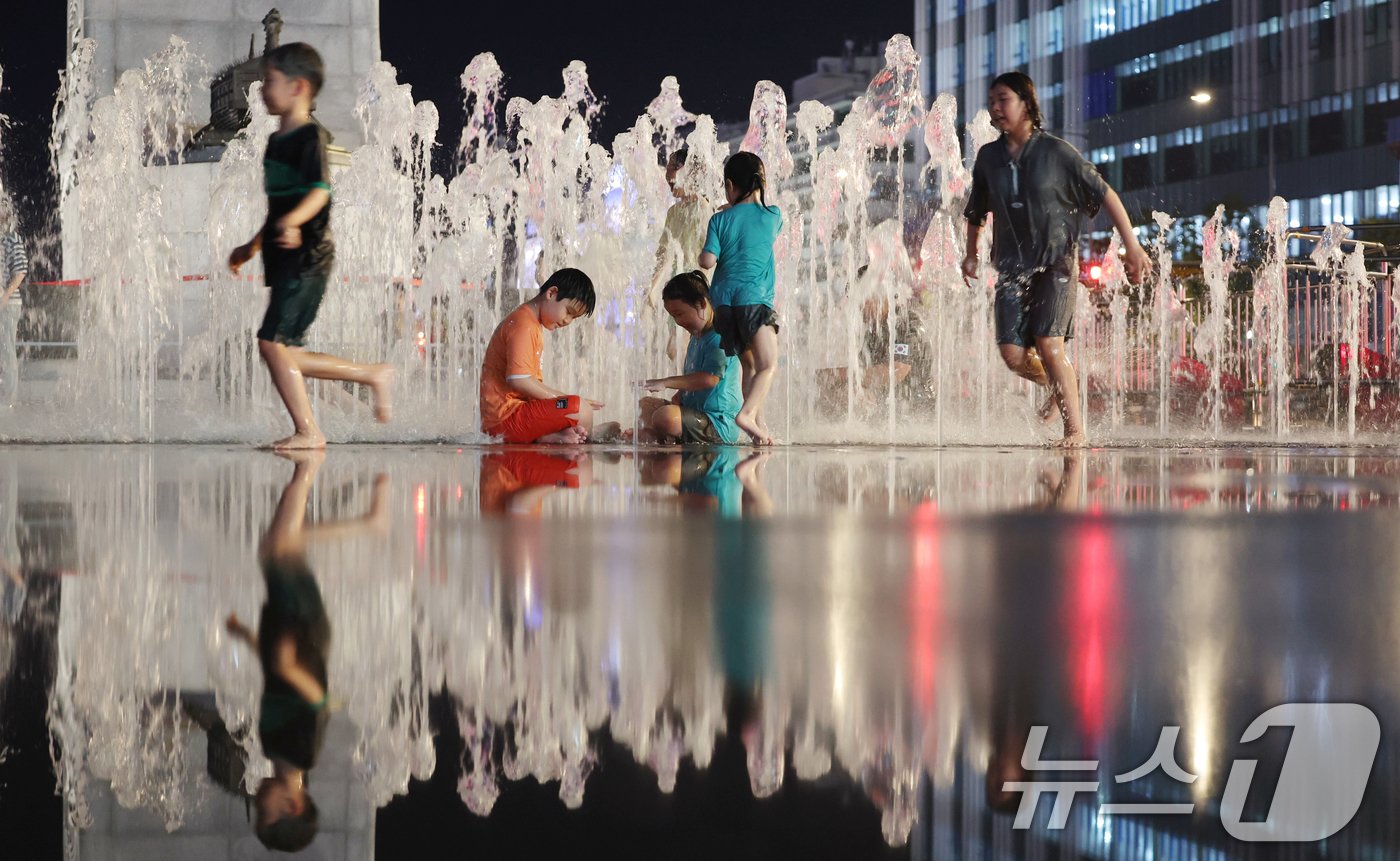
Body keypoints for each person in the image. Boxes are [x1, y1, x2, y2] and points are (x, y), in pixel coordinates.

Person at [962, 71, 1150, 447]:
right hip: (1011, 268)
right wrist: (970, 253)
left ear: (1027, 104)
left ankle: (1074, 431)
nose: (995, 107)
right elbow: (976, 210)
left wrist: (1132, 246)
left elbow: (1106, 193)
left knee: (1049, 345)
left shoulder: (1056, 152)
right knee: (1012, 355)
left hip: (1056, 264)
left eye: (1003, 99)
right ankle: (1061, 383)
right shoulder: (988, 157)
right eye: (992, 101)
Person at [228, 42, 393, 450]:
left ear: (298, 87)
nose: (262, 89)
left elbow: (320, 191)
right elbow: (278, 207)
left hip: (309, 258)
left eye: (269, 80)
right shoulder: (275, 142)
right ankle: (370, 376)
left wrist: (293, 222)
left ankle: (310, 431)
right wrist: (252, 245)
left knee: (273, 344)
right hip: (283, 258)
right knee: (283, 351)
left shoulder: (309, 137)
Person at [225, 450, 387, 852]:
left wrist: (247, 637)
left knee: (277, 548)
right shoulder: (302, 753)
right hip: (304, 633)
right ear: (292, 805)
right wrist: (290, 667)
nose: (257, 804)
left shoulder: (271, 748)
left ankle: (310, 473)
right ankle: (322, 479)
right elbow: (319, 701)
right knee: (281, 547)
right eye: (264, 813)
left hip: (284, 632)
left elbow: (272, 678)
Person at [699, 152, 783, 445]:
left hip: (723, 307)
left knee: (749, 365)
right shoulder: (773, 215)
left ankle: (758, 425)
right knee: (768, 365)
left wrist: (725, 216)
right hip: (754, 301)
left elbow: (707, 262)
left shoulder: (718, 220)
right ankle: (747, 415)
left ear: (730, 185)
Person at [479, 267, 614, 444]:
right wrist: (564, 400)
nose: (567, 321)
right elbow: (519, 380)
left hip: (511, 416)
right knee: (581, 409)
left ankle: (548, 436)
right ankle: (590, 435)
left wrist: (564, 402)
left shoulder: (530, 322)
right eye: (569, 312)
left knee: (577, 406)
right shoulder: (524, 324)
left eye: (574, 318)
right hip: (503, 420)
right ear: (551, 293)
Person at [635, 271, 741, 444]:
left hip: (717, 423)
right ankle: (658, 436)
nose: (678, 321)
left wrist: (666, 382)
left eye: (679, 314)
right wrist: (681, 393)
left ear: (702, 303)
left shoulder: (719, 336)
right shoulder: (697, 337)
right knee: (644, 406)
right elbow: (694, 375)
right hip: (695, 413)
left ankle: (659, 436)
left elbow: (709, 379)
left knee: (665, 417)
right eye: (673, 316)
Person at [0, 199, 28, 408]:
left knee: (6, 351)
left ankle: (8, 400)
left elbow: (20, 272)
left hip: (7, 305)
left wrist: (4, 298)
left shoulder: (12, 238)